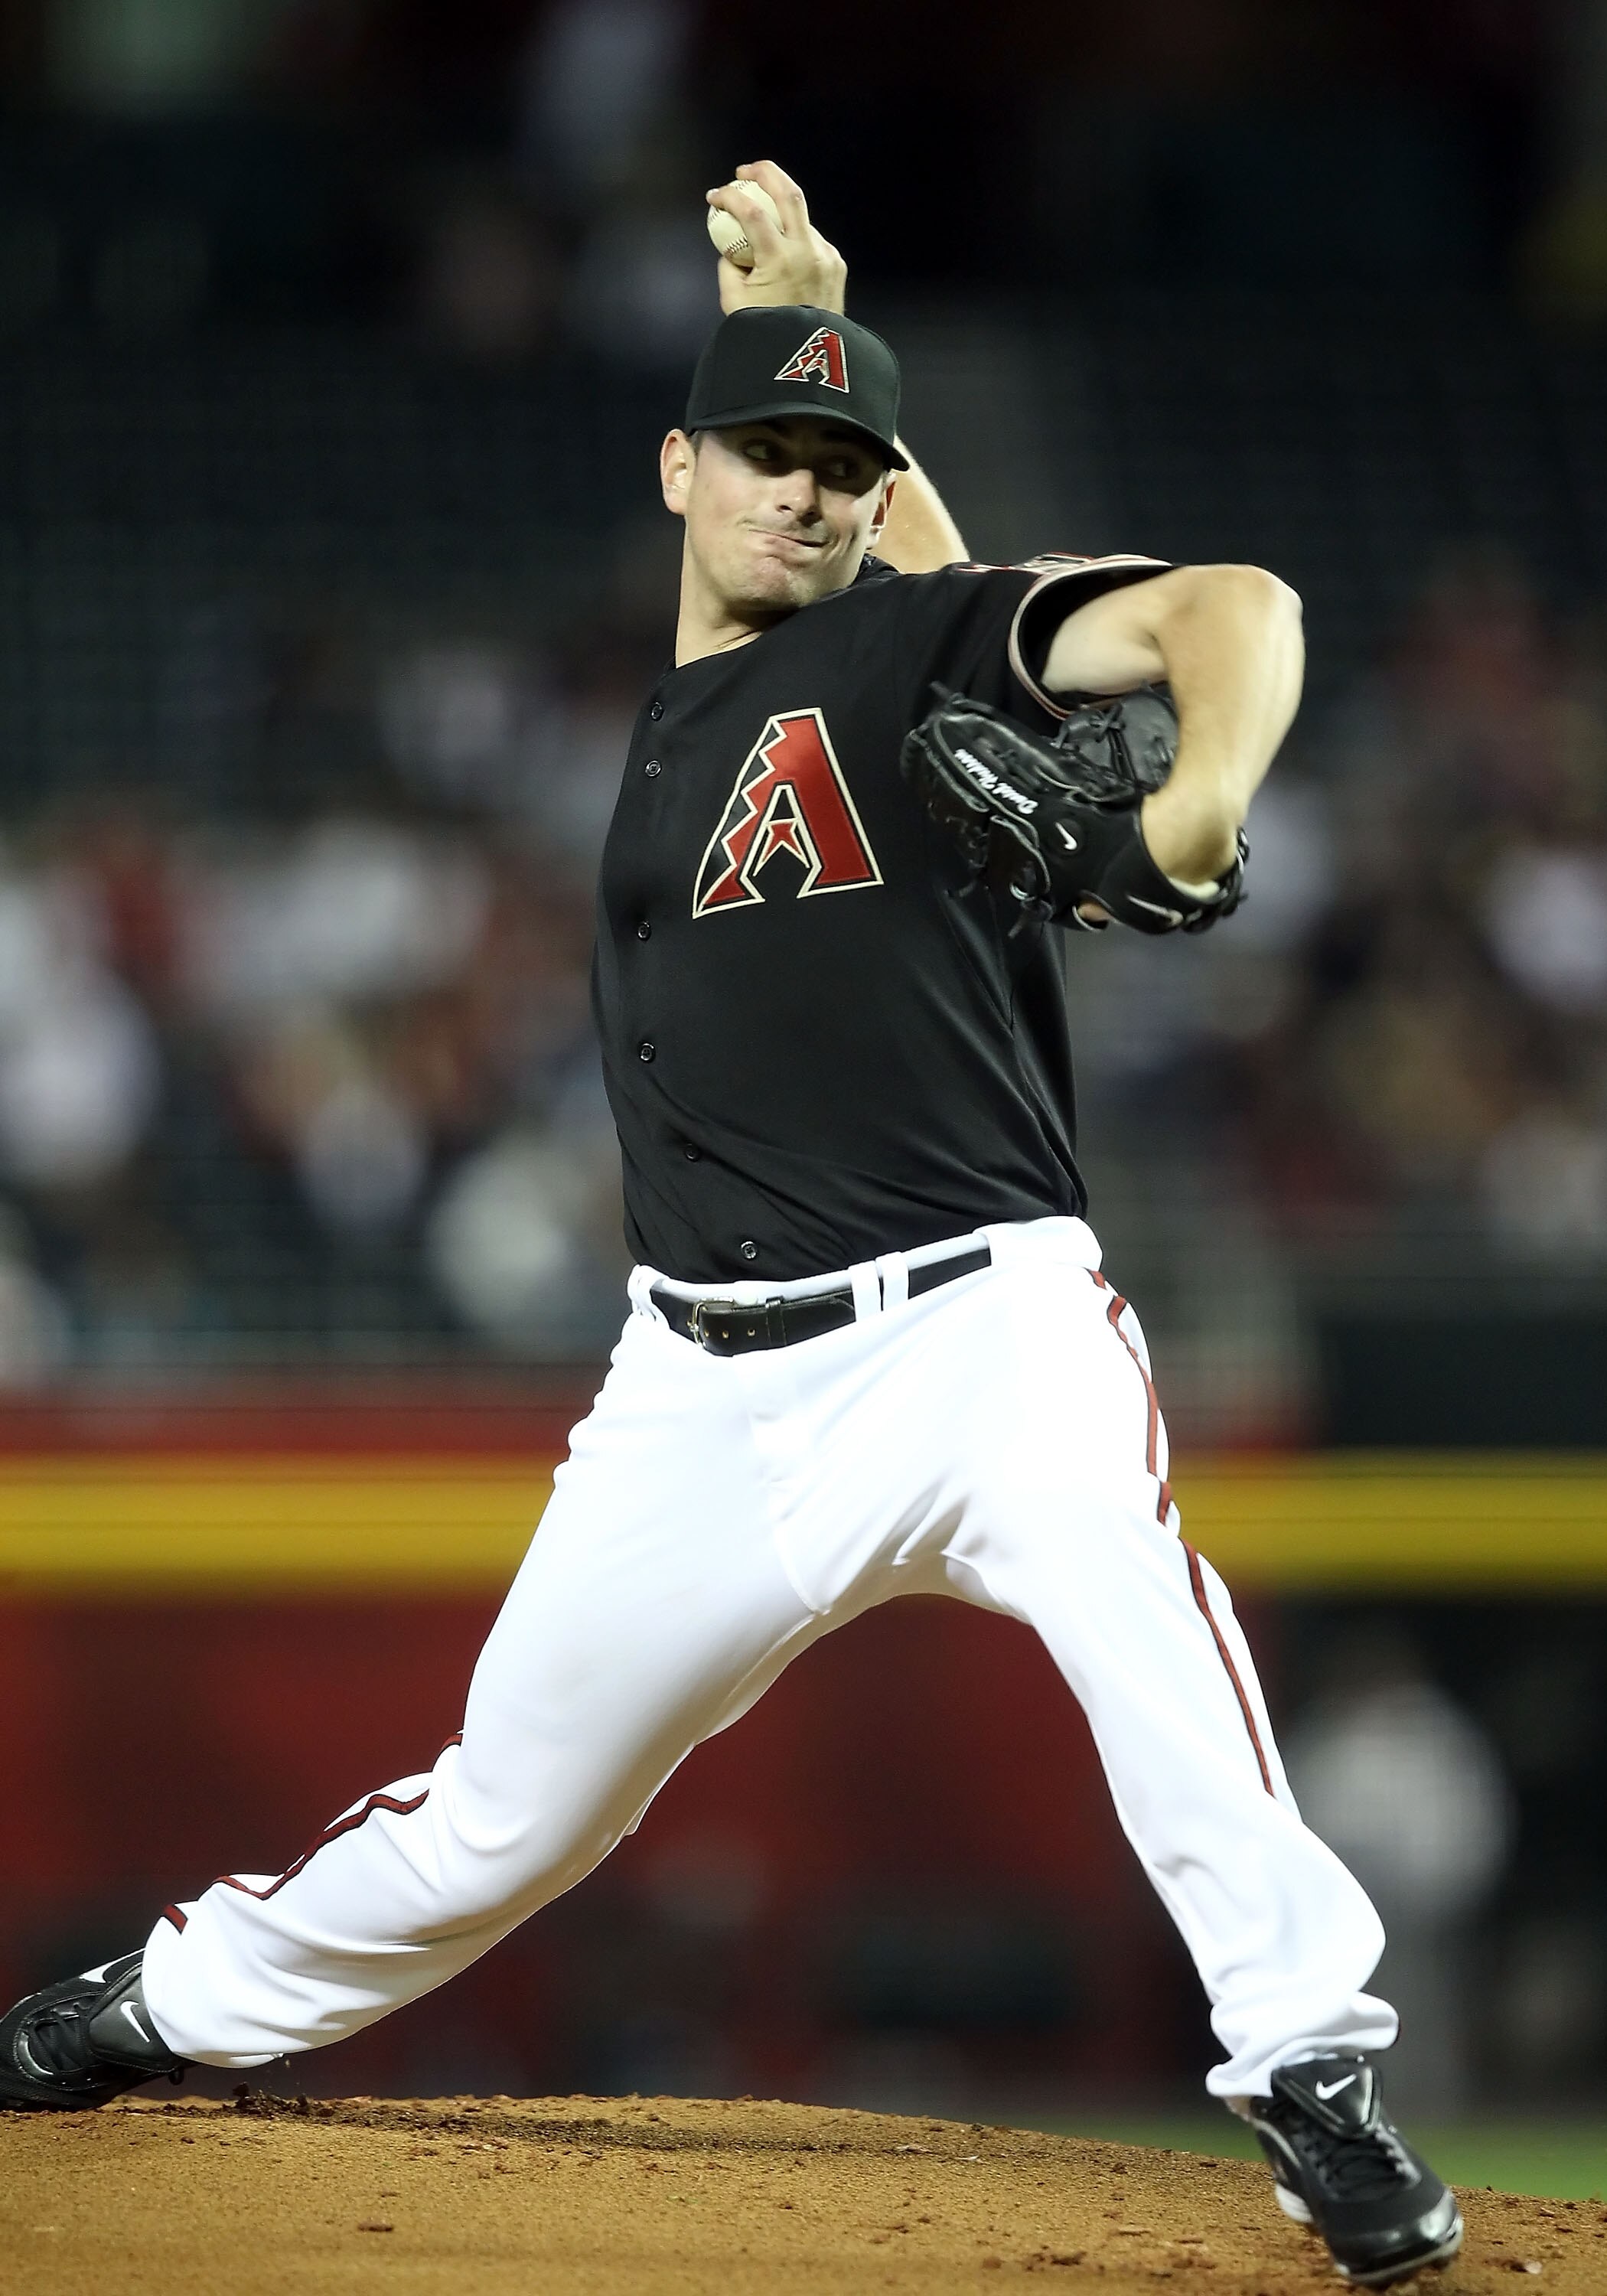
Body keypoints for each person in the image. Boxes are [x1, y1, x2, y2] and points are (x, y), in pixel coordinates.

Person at [2, 162, 1460, 2288]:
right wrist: (826, 312)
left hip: (981, 1330)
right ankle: (162, 2005)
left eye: (840, 466)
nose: (800, 493)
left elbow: (1238, 611)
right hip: (692, 1379)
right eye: (768, 451)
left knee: (1153, 1637)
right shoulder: (698, 718)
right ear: (678, 466)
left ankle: (1312, 2071)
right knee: (503, 1816)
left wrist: (1196, 801)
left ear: (878, 503)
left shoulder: (903, 639)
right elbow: (936, 604)